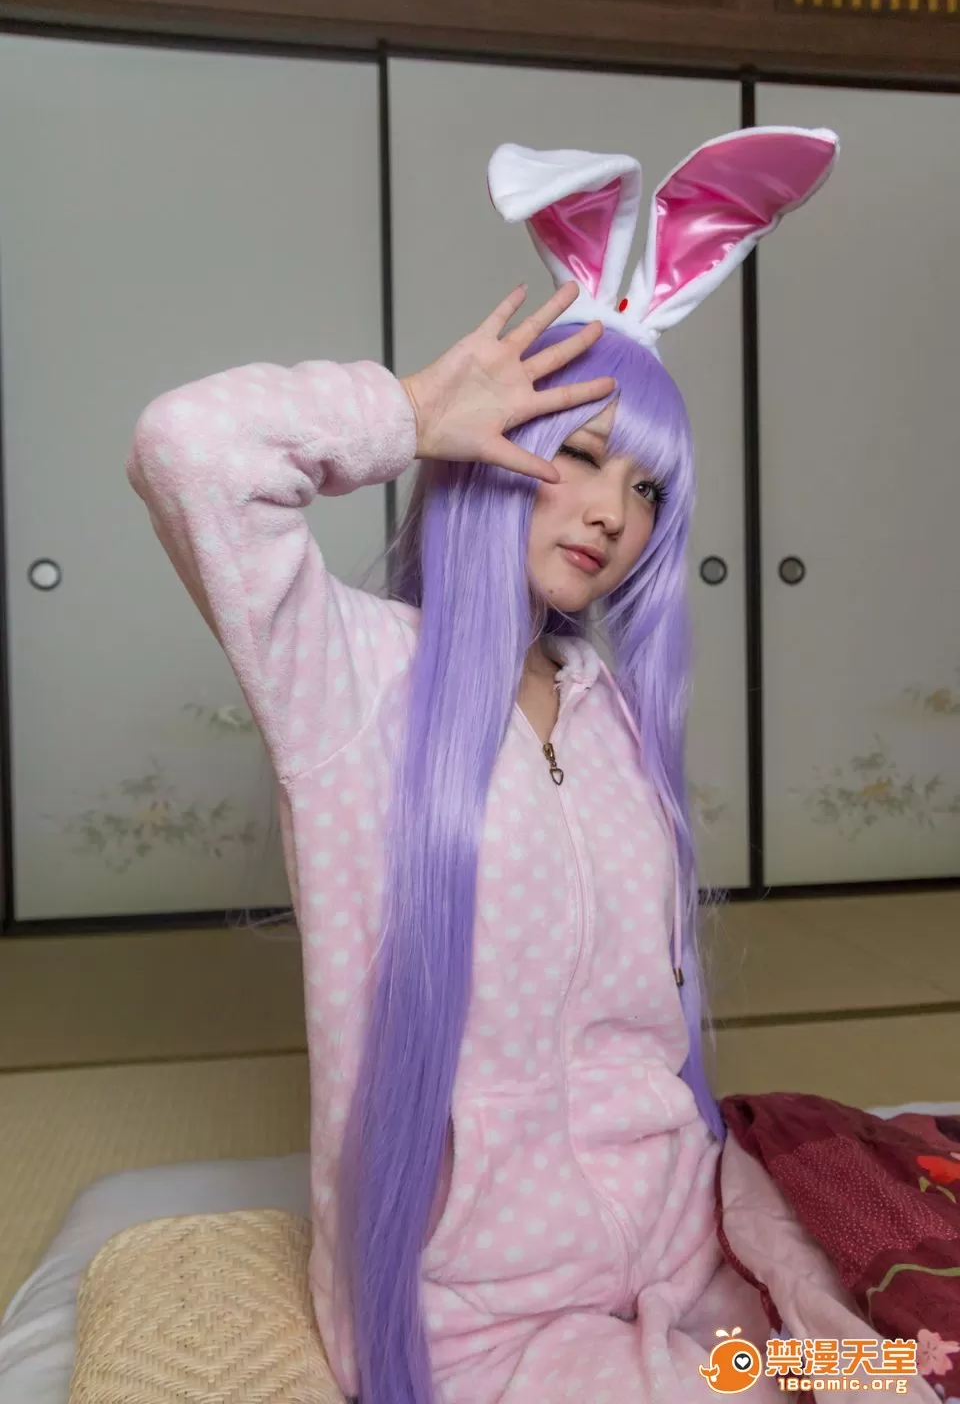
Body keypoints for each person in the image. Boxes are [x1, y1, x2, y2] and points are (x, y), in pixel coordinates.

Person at [129, 129, 920, 1404]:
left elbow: (640, 1035)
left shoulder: (614, 716)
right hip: (479, 1306)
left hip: (684, 1247)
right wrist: (408, 414)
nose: (614, 513)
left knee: (877, 1378)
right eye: (581, 456)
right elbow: (186, 448)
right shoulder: (351, 680)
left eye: (648, 491)